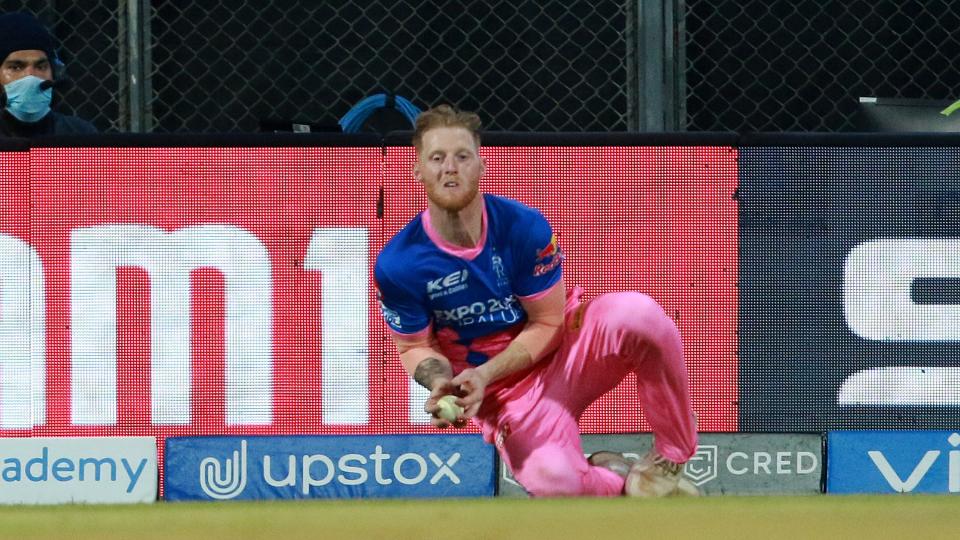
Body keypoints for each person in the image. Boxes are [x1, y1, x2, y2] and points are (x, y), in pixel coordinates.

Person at [374, 104, 699, 497]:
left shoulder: (523, 226)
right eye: (436, 158)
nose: (450, 168)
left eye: (462, 156)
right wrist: (441, 380)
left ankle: (669, 460)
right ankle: (624, 486)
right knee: (552, 480)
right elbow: (414, 345)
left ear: (481, 166)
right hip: (508, 397)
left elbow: (548, 323)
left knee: (638, 314)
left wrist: (484, 374)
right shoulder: (399, 264)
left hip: (569, 348)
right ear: (418, 172)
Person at [0, 12, 96, 138]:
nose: (31, 76)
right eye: (16, 67)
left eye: (41, 67)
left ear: (54, 73)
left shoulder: (80, 134)